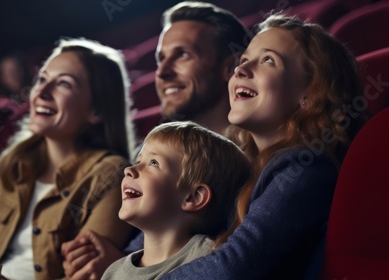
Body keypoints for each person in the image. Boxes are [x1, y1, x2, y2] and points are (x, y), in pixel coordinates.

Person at [162, 14, 367, 279]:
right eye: (244, 60)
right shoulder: (245, 165)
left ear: (308, 94)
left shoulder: (306, 168)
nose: (240, 70)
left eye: (268, 60)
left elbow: (234, 266)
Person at [61, 2, 251, 278]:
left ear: (230, 67)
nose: (162, 72)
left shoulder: (253, 162)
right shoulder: (145, 154)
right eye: (161, 59)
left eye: (182, 55)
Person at [0, 38, 136, 280]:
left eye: (64, 84)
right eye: (42, 80)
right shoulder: (11, 164)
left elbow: (82, 275)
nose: (43, 93)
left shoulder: (112, 176)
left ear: (97, 111)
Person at [101, 121, 250, 280]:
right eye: (138, 162)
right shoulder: (113, 272)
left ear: (194, 197)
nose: (129, 170)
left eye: (153, 163)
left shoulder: (208, 259)